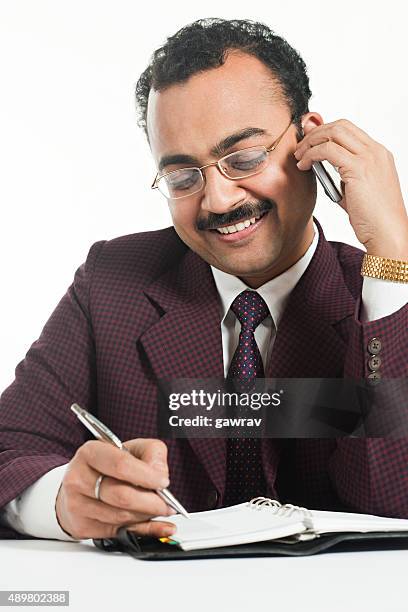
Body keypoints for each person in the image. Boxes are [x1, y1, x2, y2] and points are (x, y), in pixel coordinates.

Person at [0, 18, 407, 543]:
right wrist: (60, 500)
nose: (217, 200)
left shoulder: (381, 299)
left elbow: (392, 498)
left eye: (243, 157)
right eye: (182, 176)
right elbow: (9, 447)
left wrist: (393, 256)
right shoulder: (112, 284)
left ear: (311, 140)